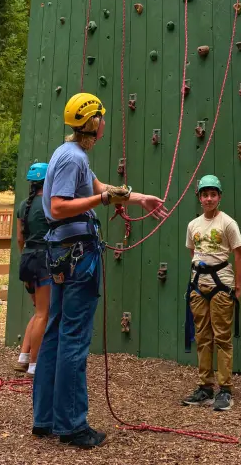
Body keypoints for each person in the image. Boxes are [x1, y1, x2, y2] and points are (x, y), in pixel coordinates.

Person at [32, 92, 166, 449]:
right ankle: (72, 425)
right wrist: (103, 202)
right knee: (73, 338)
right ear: (93, 123)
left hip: (62, 255)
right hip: (78, 257)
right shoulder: (74, 159)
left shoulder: (69, 154)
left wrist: (139, 198)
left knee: (57, 333)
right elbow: (60, 207)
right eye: (102, 118)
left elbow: (102, 188)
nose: (105, 123)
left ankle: (45, 418)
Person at [182, 174, 241, 412]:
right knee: (202, 337)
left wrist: (238, 287)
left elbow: (239, 254)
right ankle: (205, 387)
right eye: (204, 194)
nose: (209, 199)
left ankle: (225, 390)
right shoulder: (193, 225)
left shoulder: (227, 223)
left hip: (221, 285)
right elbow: (194, 253)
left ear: (219, 197)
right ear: (199, 197)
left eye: (213, 194)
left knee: (222, 337)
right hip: (199, 284)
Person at [14, 162, 51, 377]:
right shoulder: (49, 204)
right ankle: (35, 366)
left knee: (38, 311)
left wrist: (25, 256)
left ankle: (23, 357)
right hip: (44, 260)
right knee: (43, 314)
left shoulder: (22, 205)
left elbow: (20, 238)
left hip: (27, 259)